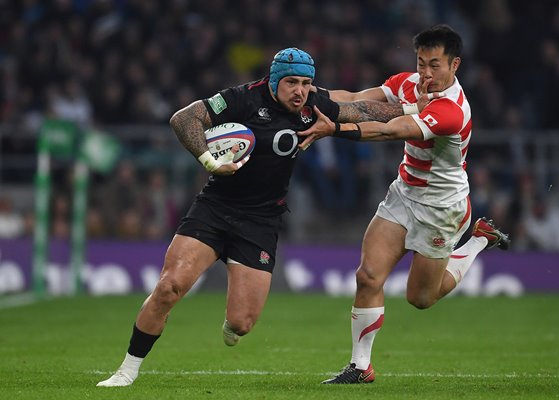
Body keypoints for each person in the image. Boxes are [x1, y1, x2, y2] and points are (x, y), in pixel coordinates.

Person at [96, 47, 411, 387]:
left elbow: (362, 109)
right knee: (169, 287)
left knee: (242, 323)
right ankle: (126, 371)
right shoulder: (241, 99)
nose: (300, 91)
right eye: (292, 82)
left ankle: (231, 325)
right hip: (215, 208)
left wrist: (416, 108)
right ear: (275, 80)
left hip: (261, 221)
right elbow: (184, 118)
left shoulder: (312, 106)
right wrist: (209, 161)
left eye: (306, 83)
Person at [298, 25, 511, 384]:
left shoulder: (452, 110)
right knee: (367, 276)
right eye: (421, 62)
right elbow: (354, 97)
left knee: (421, 298)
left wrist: (332, 129)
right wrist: (306, 95)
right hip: (404, 194)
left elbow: (390, 129)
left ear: (455, 64)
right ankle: (360, 367)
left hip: (441, 209)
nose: (426, 73)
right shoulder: (408, 82)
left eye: (435, 65)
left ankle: (478, 240)